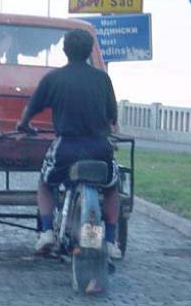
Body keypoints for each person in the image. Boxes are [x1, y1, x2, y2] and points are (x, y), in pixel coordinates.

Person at [16, 29, 122, 260]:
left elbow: (31, 110)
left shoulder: (53, 78)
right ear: (90, 51)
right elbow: (113, 118)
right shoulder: (102, 79)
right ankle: (110, 241)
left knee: (45, 183)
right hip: (99, 149)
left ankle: (46, 232)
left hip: (66, 148)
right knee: (112, 186)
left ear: (65, 50)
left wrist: (23, 125)